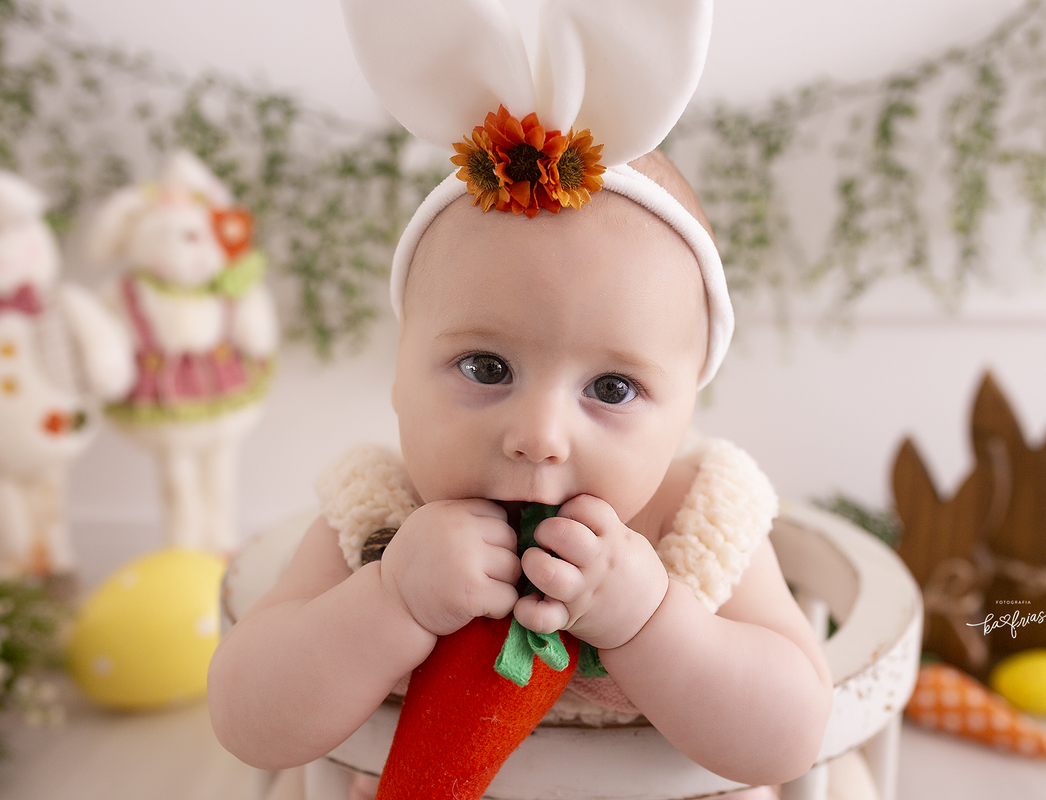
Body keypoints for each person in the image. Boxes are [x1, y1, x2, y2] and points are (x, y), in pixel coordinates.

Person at [208, 2, 833, 798]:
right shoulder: (375, 521)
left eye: (611, 388)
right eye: (485, 367)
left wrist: (650, 622)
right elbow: (247, 719)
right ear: (399, 373)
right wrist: (387, 600)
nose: (538, 436)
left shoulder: (697, 522)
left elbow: (791, 736)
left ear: (684, 414)